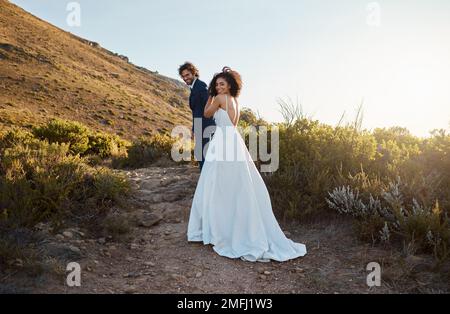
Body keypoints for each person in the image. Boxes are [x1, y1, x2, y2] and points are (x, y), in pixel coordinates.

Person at [187, 67, 307, 262]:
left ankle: (218, 229)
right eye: (216, 84)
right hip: (234, 140)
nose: (218, 87)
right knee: (237, 184)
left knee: (217, 184)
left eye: (222, 84)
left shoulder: (218, 99)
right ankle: (233, 226)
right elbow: (232, 124)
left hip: (223, 142)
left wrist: (210, 95)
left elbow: (207, 114)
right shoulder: (236, 101)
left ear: (230, 85)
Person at [178, 62, 216, 171]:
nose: (185, 78)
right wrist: (195, 129)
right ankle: (204, 180)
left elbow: (209, 108)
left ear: (194, 73)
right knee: (200, 155)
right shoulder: (193, 88)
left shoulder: (201, 86)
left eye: (187, 75)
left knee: (205, 156)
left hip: (206, 126)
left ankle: (207, 181)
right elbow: (196, 111)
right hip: (200, 126)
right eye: (183, 76)